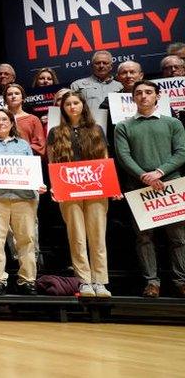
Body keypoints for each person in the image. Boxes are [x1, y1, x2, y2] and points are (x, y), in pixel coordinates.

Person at [114, 80, 185, 297]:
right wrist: (145, 176)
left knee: (179, 238)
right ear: (133, 98)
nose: (144, 96)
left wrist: (159, 173)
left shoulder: (173, 123)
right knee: (144, 238)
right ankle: (152, 283)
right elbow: (123, 157)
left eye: (148, 92)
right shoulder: (123, 126)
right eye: (139, 93)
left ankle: (181, 281)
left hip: (171, 186)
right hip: (138, 189)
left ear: (157, 96)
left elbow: (182, 152)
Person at [0, 109, 45, 295]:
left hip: (23, 198)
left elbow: (32, 170)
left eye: (4, 119)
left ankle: (27, 280)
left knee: (26, 239)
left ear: (12, 123)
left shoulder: (23, 145)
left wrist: (38, 183)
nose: (0, 123)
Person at [47, 90, 112, 297]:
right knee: (76, 236)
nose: (72, 107)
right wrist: (54, 186)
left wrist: (112, 187)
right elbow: (52, 162)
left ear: (83, 105)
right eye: (68, 104)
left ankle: (100, 281)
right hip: (68, 188)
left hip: (96, 188)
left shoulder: (96, 130)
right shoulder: (55, 132)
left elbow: (104, 159)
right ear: (63, 109)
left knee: (97, 236)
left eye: (76, 103)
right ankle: (84, 281)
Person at [4, 84, 46, 157]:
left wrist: (19, 153)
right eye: (10, 94)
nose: (13, 96)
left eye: (17, 93)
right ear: (5, 100)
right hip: (4, 161)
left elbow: (39, 146)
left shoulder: (33, 119)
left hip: (27, 162)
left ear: (22, 98)